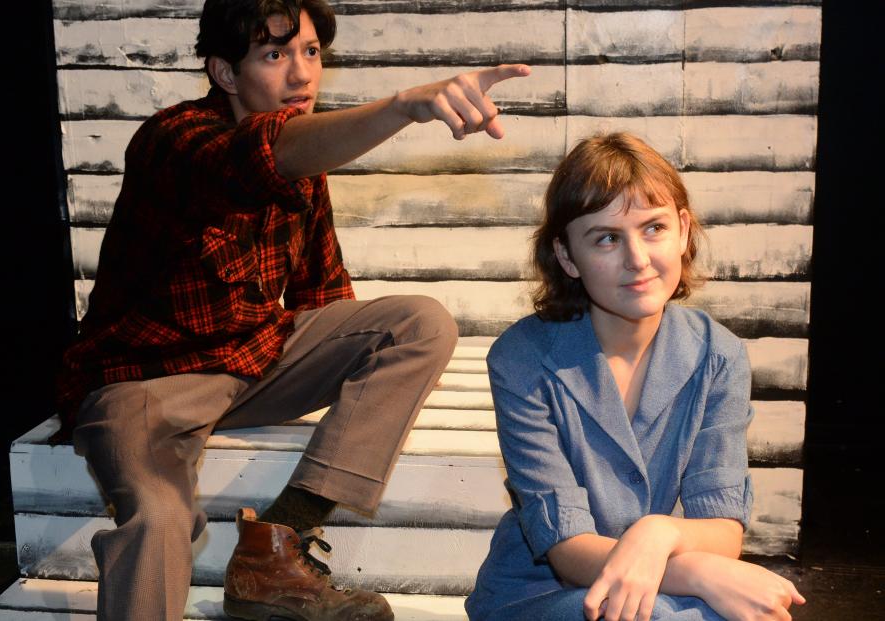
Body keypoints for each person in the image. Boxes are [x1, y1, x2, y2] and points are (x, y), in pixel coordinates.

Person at [54, 0, 530, 619]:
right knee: (159, 518)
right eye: (275, 55)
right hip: (146, 384)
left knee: (417, 323)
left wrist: (351, 371)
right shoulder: (174, 140)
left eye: (310, 53)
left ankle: (277, 544)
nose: (303, 75)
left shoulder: (309, 162)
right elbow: (260, 157)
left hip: (252, 364)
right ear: (225, 73)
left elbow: (323, 298)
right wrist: (402, 107)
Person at [465, 133, 806, 621]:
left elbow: (722, 527)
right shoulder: (521, 359)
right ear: (566, 256)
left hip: (657, 583)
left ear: (683, 231)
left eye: (654, 228)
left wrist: (660, 532)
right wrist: (699, 573)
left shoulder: (719, 356)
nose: (638, 259)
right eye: (607, 238)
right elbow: (566, 549)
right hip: (541, 593)